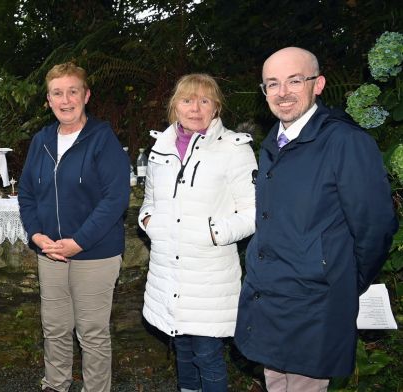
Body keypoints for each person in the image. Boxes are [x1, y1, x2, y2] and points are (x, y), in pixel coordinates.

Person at [234, 47, 398, 391]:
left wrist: (341, 279)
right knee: (275, 383)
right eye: (272, 84)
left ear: (318, 84)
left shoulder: (345, 142)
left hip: (314, 303)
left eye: (295, 81)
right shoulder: (273, 146)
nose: (282, 93)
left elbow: (376, 227)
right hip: (271, 296)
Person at [138, 74, 257, 392]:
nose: (195, 107)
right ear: (174, 106)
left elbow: (254, 211)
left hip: (209, 273)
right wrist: (149, 222)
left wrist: (214, 232)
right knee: (183, 351)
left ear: (216, 108)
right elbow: (149, 202)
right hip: (169, 269)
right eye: (187, 100)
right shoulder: (160, 148)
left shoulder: (234, 149)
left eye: (204, 100)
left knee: (208, 354)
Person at [18, 62, 130, 392]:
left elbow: (115, 199)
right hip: (50, 252)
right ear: (48, 100)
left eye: (73, 91)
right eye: (57, 93)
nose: (65, 100)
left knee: (91, 332)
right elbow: (26, 193)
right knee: (54, 327)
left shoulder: (102, 139)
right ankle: (56, 384)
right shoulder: (41, 140)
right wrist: (37, 236)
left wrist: (78, 242)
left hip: (95, 253)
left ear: (86, 95)